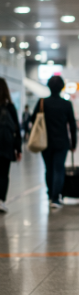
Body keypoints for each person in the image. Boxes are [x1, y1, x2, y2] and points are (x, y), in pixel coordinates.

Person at [31, 76, 77, 209]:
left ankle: (50, 194)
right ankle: (56, 198)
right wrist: (73, 143)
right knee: (58, 169)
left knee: (49, 169)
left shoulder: (42, 103)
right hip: (62, 142)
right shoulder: (66, 104)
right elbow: (72, 125)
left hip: (45, 141)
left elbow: (33, 119)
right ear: (62, 87)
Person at [0, 78, 22, 213]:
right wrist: (18, 149)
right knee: (3, 174)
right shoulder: (10, 107)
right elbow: (16, 129)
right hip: (5, 147)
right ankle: (1, 201)